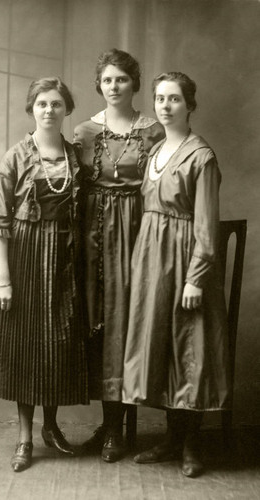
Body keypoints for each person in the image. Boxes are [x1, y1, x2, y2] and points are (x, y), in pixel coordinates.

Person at [122, 72, 231, 477]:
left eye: (174, 99)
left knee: (191, 348)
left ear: (190, 105)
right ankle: (169, 438)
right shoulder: (155, 153)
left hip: (185, 259)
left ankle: (191, 444)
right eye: (160, 99)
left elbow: (206, 225)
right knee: (162, 345)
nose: (165, 106)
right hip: (153, 260)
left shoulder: (201, 156)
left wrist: (195, 278)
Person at [0, 77, 88, 472]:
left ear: (67, 109)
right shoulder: (15, 156)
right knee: (27, 348)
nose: (49, 110)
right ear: (32, 109)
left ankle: (52, 427)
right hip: (25, 257)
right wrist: (3, 279)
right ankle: (25, 437)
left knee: (58, 343)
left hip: (63, 259)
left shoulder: (75, 156)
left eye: (57, 104)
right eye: (42, 104)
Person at [73, 48, 165, 463]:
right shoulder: (83, 132)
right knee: (101, 321)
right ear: (99, 85)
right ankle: (109, 425)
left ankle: (118, 428)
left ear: (134, 83)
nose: (114, 87)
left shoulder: (154, 131)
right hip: (93, 234)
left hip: (138, 229)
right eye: (107, 80)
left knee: (129, 322)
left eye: (121, 79)